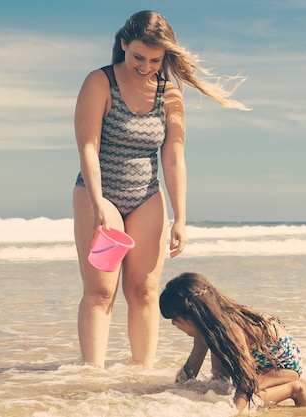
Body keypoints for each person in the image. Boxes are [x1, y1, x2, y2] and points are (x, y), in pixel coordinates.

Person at [73, 10, 248, 369]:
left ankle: (142, 373)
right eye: (138, 57)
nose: (146, 66)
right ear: (123, 44)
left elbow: (173, 158)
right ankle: (92, 377)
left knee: (144, 291)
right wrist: (98, 203)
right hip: (97, 193)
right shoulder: (99, 82)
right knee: (101, 292)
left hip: (146, 197)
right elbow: (88, 147)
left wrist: (181, 217)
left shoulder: (170, 93)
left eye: (156, 60)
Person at [160, 272, 306, 413]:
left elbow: (246, 380)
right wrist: (169, 392)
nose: (174, 323)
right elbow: (189, 371)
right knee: (219, 387)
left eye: (175, 318)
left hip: (282, 363)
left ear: (193, 315)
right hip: (258, 359)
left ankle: (295, 389)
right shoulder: (207, 329)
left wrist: (234, 412)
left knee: (250, 402)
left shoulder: (230, 329)